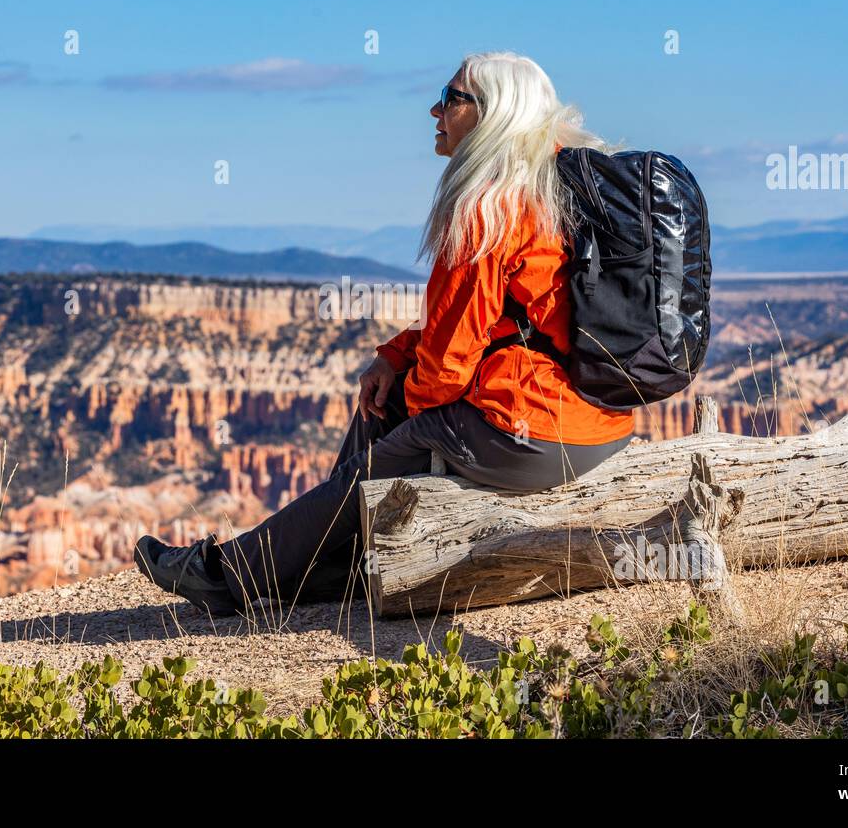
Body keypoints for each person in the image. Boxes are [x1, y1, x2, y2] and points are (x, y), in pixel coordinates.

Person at [134, 51, 636, 616]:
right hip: (603, 423)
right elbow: (507, 320)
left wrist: (408, 408)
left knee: (386, 446)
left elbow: (447, 365)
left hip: (536, 434)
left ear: (492, 112)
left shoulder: (488, 207)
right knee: (389, 408)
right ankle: (331, 562)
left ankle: (229, 576)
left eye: (451, 98)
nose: (434, 110)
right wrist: (396, 357)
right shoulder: (559, 183)